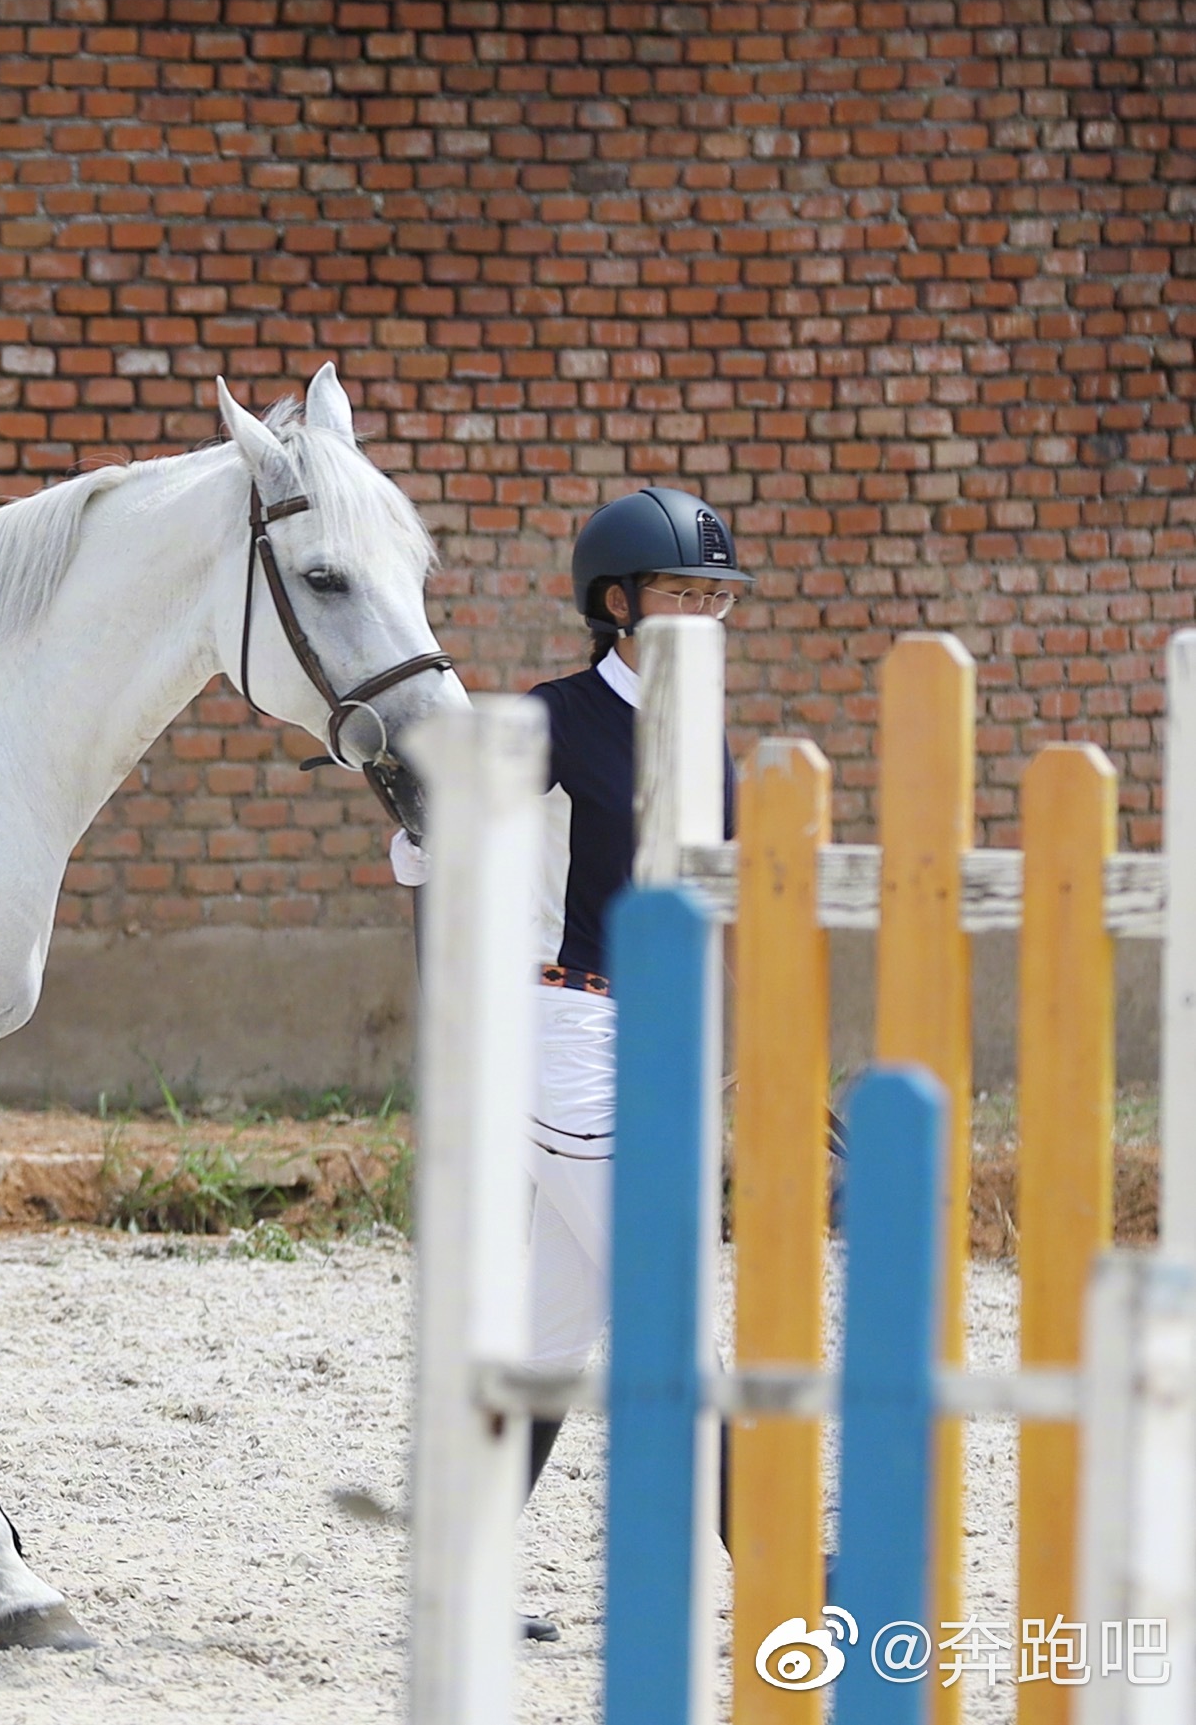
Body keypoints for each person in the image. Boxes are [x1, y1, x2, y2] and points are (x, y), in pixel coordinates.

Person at [390, 485, 750, 1630]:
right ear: (615, 603)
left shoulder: (707, 743)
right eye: (681, 594)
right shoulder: (552, 719)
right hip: (561, 1036)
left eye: (716, 597)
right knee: (667, 1301)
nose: (703, 613)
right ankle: (780, 1561)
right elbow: (421, 849)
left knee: (553, 1327)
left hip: (655, 1042)